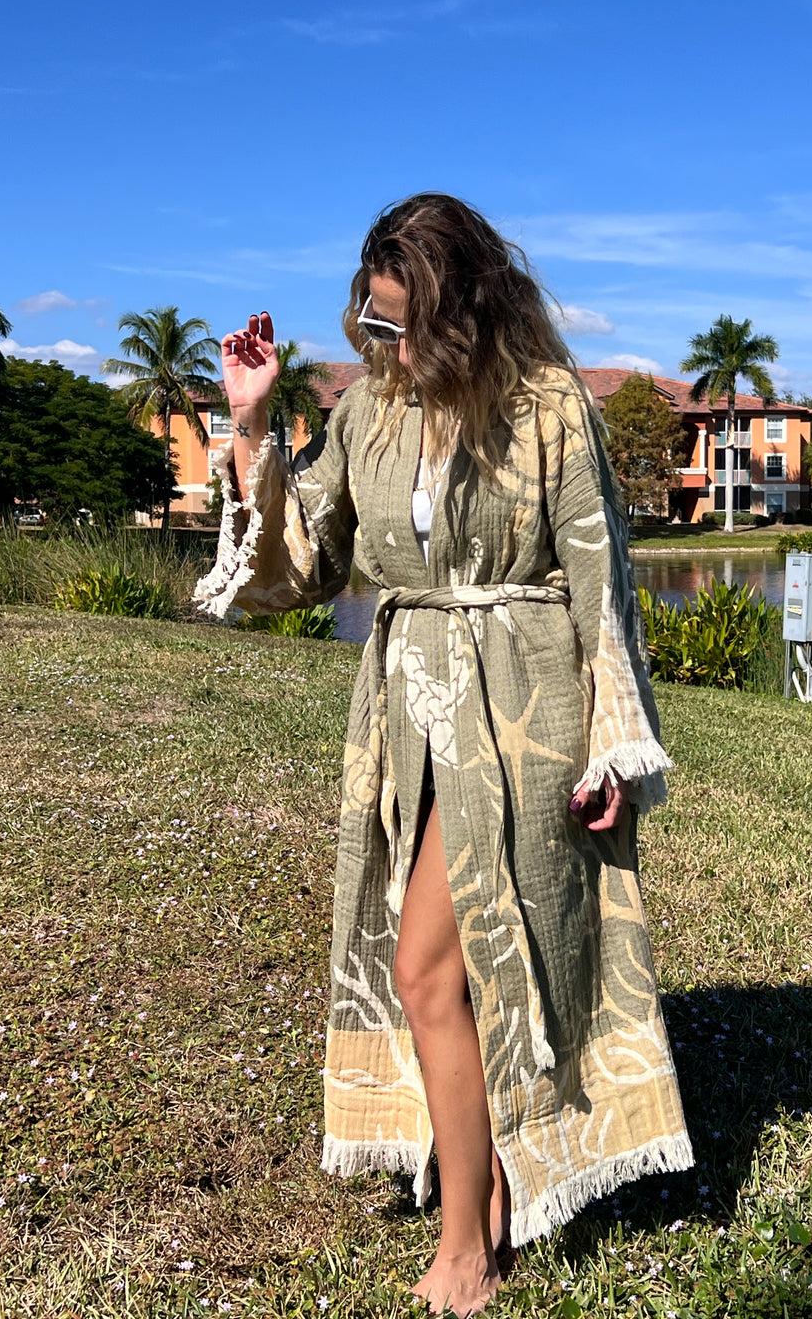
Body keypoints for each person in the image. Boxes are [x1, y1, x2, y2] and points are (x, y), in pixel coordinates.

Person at [195, 193, 693, 1317]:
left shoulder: (554, 407)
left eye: (406, 326)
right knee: (443, 967)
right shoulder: (368, 414)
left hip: (523, 713)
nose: (389, 348)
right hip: (408, 710)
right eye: (373, 326)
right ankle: (491, 1185)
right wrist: (251, 426)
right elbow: (303, 567)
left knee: (441, 966)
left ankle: (470, 1239)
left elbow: (600, 583)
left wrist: (614, 746)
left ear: (465, 312)